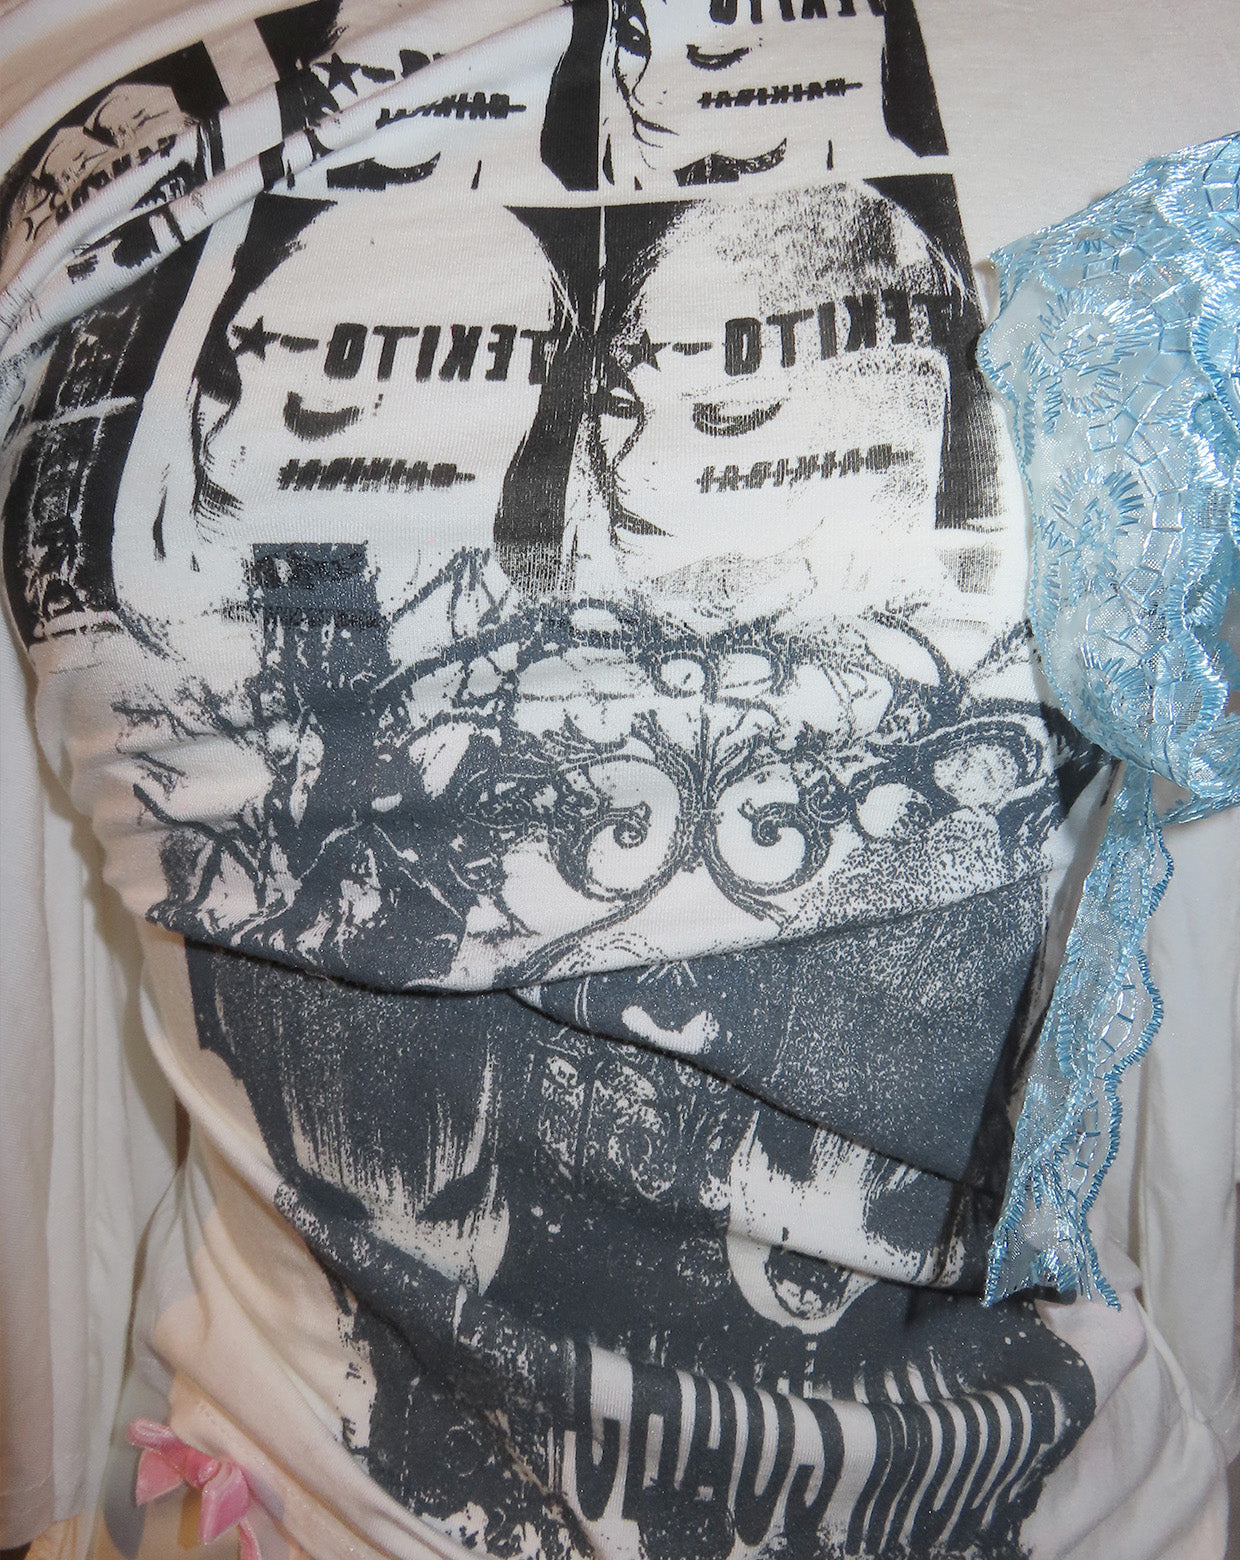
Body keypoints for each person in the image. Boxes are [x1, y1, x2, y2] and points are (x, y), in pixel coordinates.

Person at [0, 2, 1236, 1558]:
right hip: (301, 1478)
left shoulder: (1186, 67)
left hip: (1032, 1478)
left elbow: (1183, 960)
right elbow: (60, 964)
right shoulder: (69, 72)